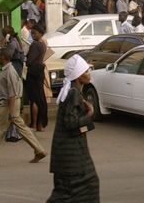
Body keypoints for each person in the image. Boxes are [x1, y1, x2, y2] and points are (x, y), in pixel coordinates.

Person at [0, 48, 47, 169]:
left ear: (3, 57)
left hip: (8, 104)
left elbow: (12, 94)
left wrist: (11, 112)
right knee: (22, 128)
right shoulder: (4, 70)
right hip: (9, 103)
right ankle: (39, 150)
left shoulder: (9, 71)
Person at [46, 55, 99, 201]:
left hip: (68, 156)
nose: (89, 74)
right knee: (84, 188)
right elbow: (71, 123)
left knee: (71, 193)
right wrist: (90, 113)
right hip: (72, 158)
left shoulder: (73, 91)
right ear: (77, 76)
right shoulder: (74, 93)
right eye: (86, 71)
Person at [26, 24, 48, 131]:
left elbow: (29, 60)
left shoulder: (35, 44)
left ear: (40, 33)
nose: (32, 35)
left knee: (34, 99)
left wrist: (26, 59)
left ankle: (34, 124)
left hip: (33, 72)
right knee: (40, 98)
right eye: (32, 33)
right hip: (40, 71)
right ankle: (40, 124)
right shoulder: (43, 44)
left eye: (34, 33)